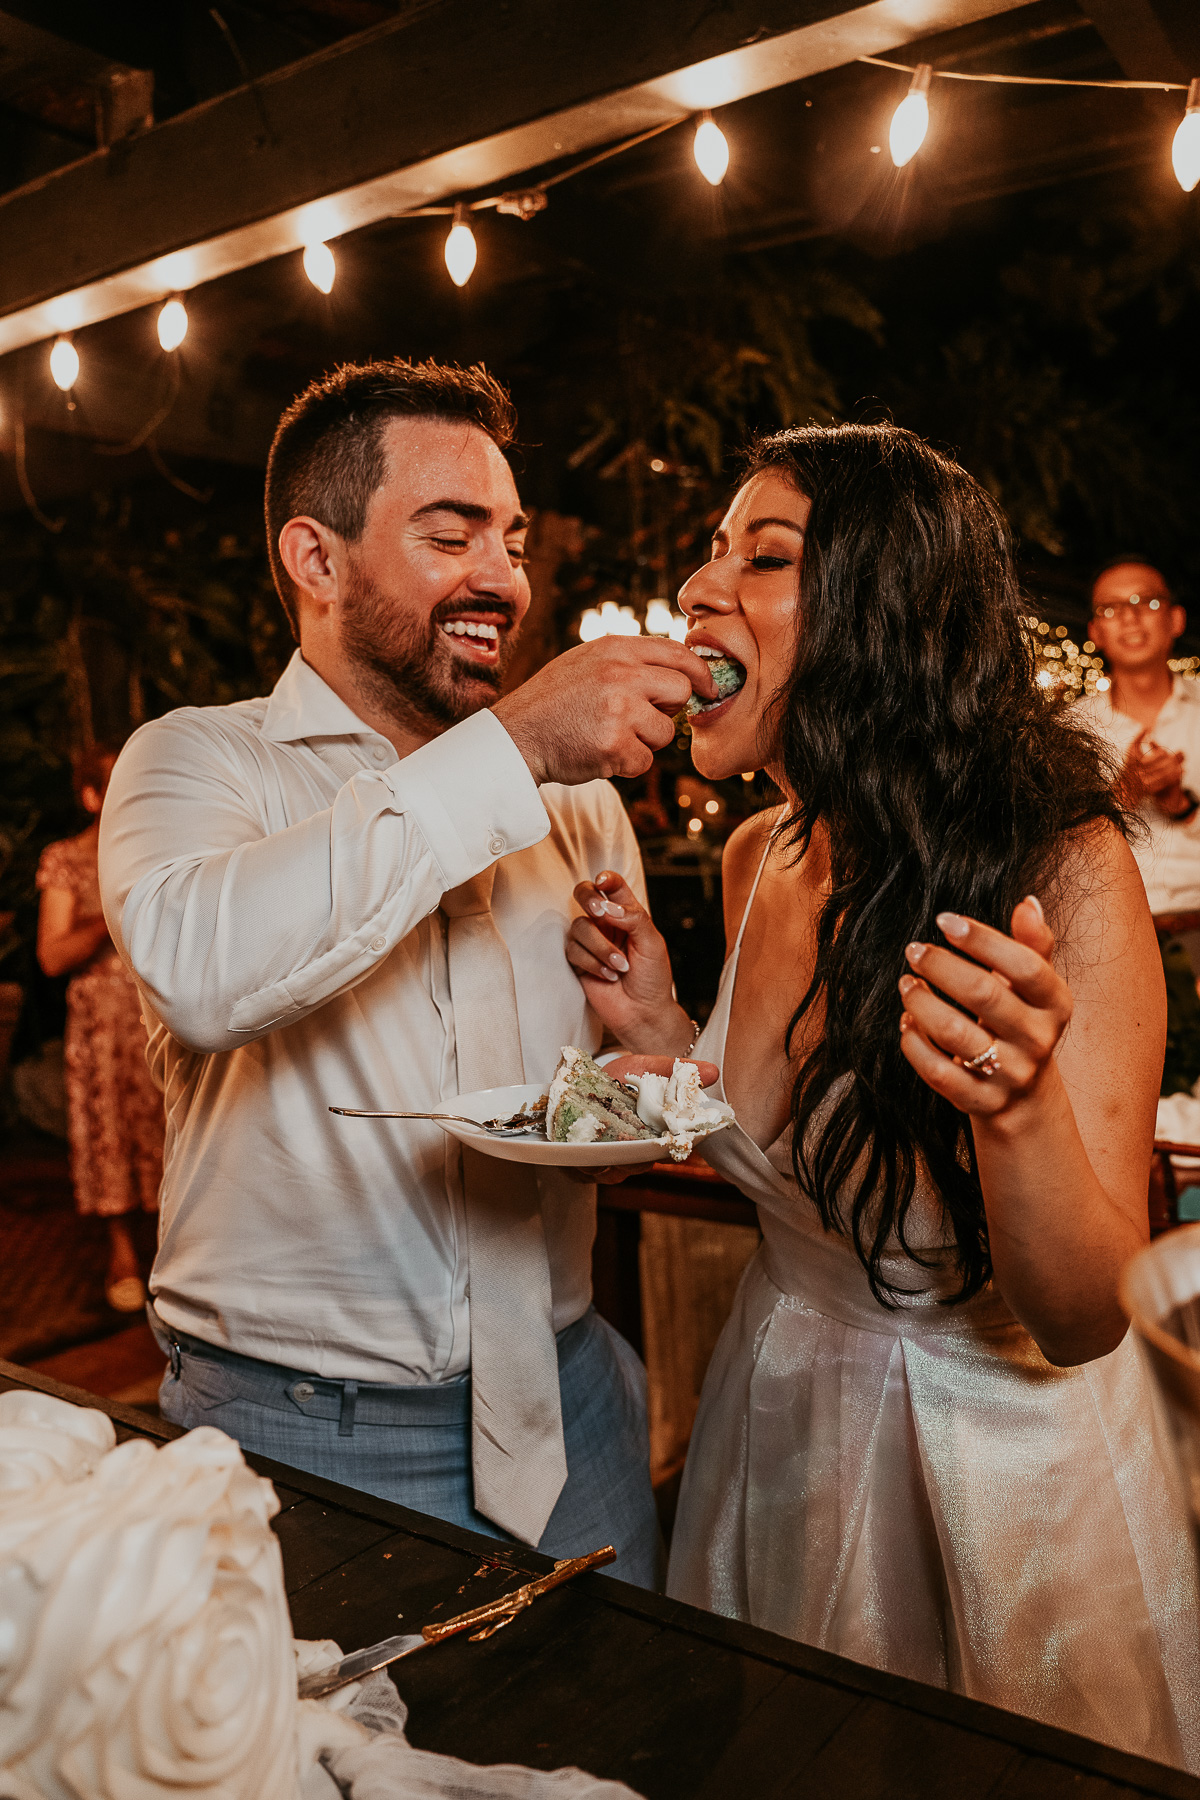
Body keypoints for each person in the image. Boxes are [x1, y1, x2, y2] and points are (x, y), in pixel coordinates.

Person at [565, 425, 1200, 1766]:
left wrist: (1015, 1113)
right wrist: (660, 1027)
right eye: (711, 550)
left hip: (1003, 1474)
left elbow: (1087, 1313)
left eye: (766, 554)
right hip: (779, 1420)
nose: (697, 587)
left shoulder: (1065, 871)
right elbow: (767, 1140)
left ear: (888, 609)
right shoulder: (757, 854)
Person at [98, 358, 715, 1587]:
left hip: (572, 1400)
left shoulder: (582, 809)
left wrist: (660, 1045)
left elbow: (614, 1104)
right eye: (453, 535)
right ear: (315, 560)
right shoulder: (195, 765)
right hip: (290, 1428)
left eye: (514, 537)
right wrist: (520, 741)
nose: (504, 577)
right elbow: (198, 972)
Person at [37, 744, 163, 1312]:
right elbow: (52, 956)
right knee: (107, 1131)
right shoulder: (64, 859)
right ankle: (122, 1257)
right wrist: (107, 912)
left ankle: (172, 1255)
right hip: (98, 1027)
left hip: (158, 1017)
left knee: (168, 1129)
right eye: (115, 783)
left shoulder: (161, 846)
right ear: (91, 796)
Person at [1079, 559, 1200, 981]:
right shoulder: (1070, 731)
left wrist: (1180, 804)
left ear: (1176, 619)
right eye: (1109, 608)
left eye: (1144, 601)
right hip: (1109, 938)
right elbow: (1053, 846)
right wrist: (1120, 798)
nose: (1129, 616)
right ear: (1095, 633)